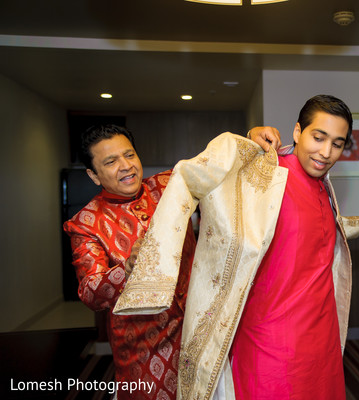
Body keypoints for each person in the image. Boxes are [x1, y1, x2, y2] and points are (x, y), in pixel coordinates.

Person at [113, 94, 359, 400]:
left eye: (337, 143)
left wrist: (358, 222)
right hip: (270, 336)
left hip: (320, 331)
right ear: (298, 132)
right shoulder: (266, 175)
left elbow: (317, 229)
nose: (326, 152)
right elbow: (192, 177)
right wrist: (155, 254)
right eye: (318, 137)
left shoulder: (323, 184)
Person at [63, 123, 281, 400]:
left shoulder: (169, 185)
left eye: (129, 155)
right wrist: (126, 270)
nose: (126, 166)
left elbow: (218, 167)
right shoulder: (86, 223)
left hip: (197, 326)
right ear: (94, 175)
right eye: (111, 161)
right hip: (142, 345)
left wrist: (249, 140)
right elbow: (90, 292)